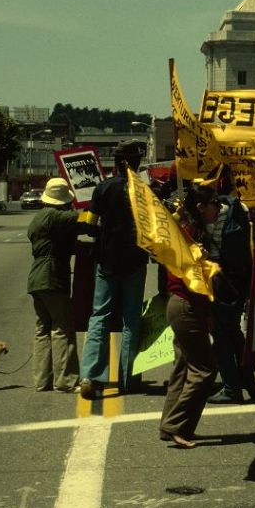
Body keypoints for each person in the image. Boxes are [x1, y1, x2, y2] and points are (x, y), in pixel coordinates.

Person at [79, 140, 150, 399]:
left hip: (107, 261)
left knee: (100, 316)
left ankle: (91, 375)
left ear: (117, 163)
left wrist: (100, 233)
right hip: (135, 261)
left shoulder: (103, 188)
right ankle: (128, 378)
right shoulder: (143, 191)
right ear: (134, 163)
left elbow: (90, 225)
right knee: (131, 318)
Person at [159, 184, 222, 448]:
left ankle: (171, 425)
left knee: (184, 366)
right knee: (204, 369)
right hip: (185, 304)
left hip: (184, 304)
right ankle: (175, 425)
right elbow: (184, 275)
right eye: (214, 204)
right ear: (200, 207)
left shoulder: (190, 233)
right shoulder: (187, 234)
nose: (218, 209)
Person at [26, 177, 85, 393]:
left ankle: (42, 380)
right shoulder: (55, 216)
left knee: (42, 329)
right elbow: (77, 219)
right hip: (51, 276)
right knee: (62, 328)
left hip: (36, 278)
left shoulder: (39, 218)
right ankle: (66, 380)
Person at [205, 194, 255, 406]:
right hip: (239, 282)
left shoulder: (221, 219)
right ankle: (250, 384)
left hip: (223, 282)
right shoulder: (240, 211)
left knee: (222, 337)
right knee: (235, 335)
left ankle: (231, 387)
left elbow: (213, 251)